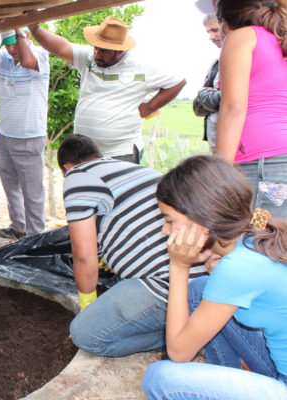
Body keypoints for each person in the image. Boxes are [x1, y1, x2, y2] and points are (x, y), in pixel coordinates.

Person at [143, 155, 287, 399]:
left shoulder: (238, 267)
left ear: (202, 218)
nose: (164, 231)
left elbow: (179, 353)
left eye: (169, 220)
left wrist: (179, 267)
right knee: (201, 288)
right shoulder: (259, 231)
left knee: (160, 378)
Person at [57, 135, 206, 357]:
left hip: (166, 284)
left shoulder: (77, 177)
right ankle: (195, 329)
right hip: (202, 278)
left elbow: (83, 256)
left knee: (85, 334)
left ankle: (192, 338)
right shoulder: (130, 168)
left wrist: (87, 307)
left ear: (66, 168)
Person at [29, 16, 186, 163]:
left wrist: (150, 107)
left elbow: (177, 82)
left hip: (120, 153)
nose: (97, 54)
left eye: (104, 51)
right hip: (84, 152)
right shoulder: (89, 58)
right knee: (86, 192)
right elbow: (61, 47)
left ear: (119, 51)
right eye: (96, 48)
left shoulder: (141, 66)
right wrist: (35, 29)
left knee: (119, 193)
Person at [0, 28, 49, 240]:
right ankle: (19, 226)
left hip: (29, 137)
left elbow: (27, 62)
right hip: (5, 136)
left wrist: (19, 27)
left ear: (27, 38)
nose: (12, 49)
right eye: (7, 44)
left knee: (32, 192)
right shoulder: (5, 58)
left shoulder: (40, 55)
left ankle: (35, 236)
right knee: (11, 186)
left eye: (15, 43)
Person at [214, 0, 287, 219]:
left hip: (264, 166)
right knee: (277, 237)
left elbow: (233, 109)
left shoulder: (243, 37)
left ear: (224, 21)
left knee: (260, 236)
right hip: (280, 161)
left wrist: (219, 173)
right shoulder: (280, 39)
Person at [192, 13, 222, 152]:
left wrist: (203, 93)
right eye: (208, 32)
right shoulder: (217, 63)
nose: (211, 37)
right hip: (216, 139)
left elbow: (230, 99)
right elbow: (199, 107)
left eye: (215, 30)